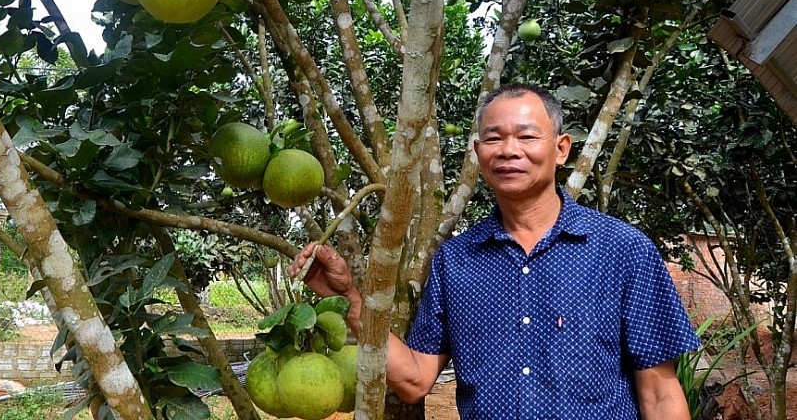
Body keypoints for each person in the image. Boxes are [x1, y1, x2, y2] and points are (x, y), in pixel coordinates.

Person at [289, 84, 701, 419]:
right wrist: (349, 299)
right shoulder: (456, 260)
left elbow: (661, 396)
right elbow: (414, 381)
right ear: (478, 152)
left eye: (526, 136)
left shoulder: (623, 251)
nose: (508, 150)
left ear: (561, 149)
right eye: (493, 139)